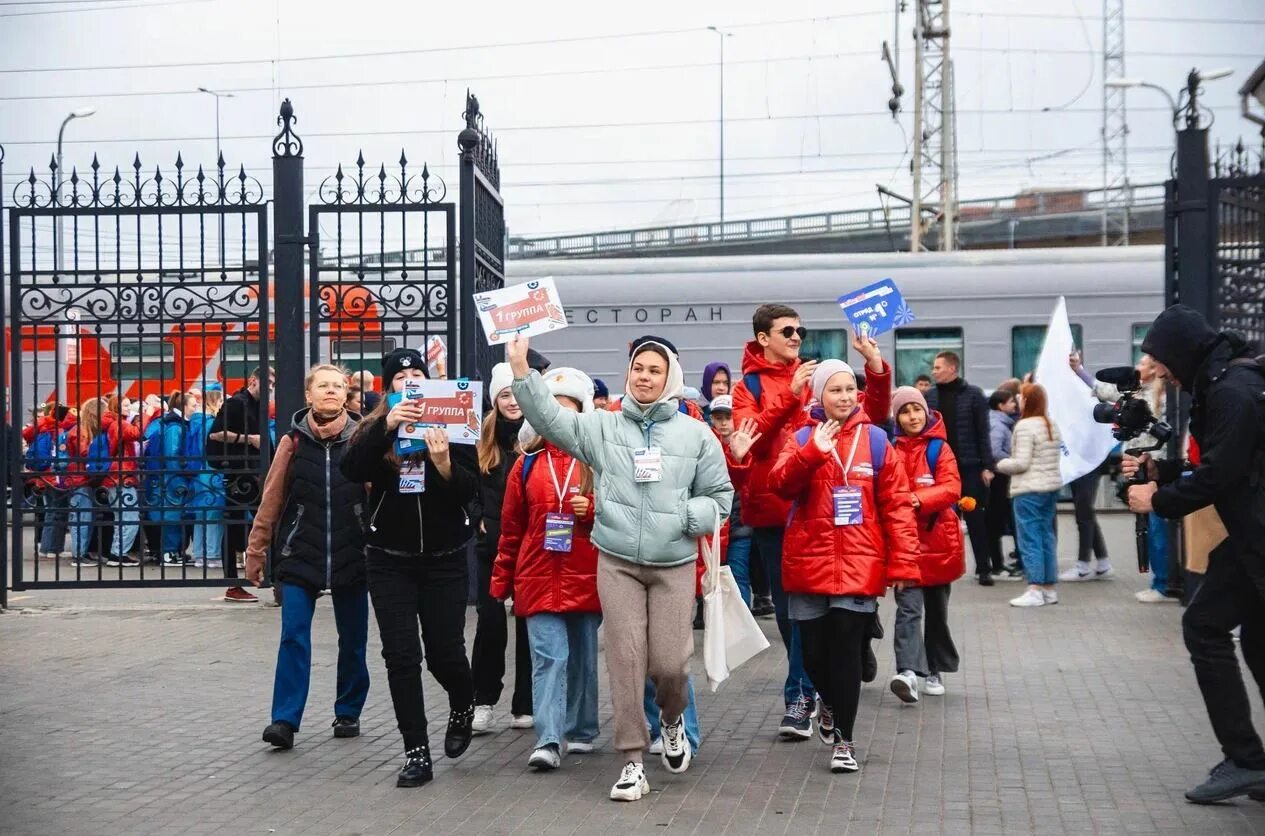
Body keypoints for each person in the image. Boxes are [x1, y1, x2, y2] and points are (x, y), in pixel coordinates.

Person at [506, 332, 732, 803]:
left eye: (654, 370)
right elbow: (548, 417)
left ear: (669, 377)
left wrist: (694, 517)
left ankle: (670, 722)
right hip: (617, 562)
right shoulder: (603, 427)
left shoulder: (696, 434)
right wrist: (521, 370)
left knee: (670, 665)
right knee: (625, 663)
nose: (644, 377)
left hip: (673, 564)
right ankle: (631, 762)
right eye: (638, 369)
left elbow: (721, 497)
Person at [1123, 305, 1265, 803]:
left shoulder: (1232, 391)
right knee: (1250, 641)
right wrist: (1162, 470)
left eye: (1160, 359)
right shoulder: (1225, 383)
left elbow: (1222, 473)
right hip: (1251, 540)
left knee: (1205, 627)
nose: (1158, 370)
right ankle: (1249, 760)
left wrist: (1156, 499)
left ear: (1181, 351)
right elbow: (1228, 459)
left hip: (1258, 540)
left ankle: (1248, 760)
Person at [731, 304, 891, 740]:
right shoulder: (748, 385)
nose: (797, 336)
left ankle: (804, 695)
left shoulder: (818, 375)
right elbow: (752, 444)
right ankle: (815, 687)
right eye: (788, 330)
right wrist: (787, 396)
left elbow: (867, 421)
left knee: (828, 614)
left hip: (830, 512)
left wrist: (874, 370)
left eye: (800, 329)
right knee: (791, 616)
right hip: (775, 511)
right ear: (763, 337)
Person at [767, 360, 920, 774]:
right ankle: (828, 704)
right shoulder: (801, 436)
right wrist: (811, 452)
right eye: (835, 390)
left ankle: (845, 742)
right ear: (819, 396)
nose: (845, 397)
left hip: (859, 561)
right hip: (809, 562)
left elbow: (898, 506)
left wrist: (904, 563)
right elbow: (779, 485)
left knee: (846, 653)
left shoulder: (874, 440)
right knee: (813, 655)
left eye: (850, 389)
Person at [340, 347, 479, 789]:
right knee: (401, 657)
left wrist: (442, 464)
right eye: (401, 377)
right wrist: (388, 427)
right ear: (389, 386)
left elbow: (469, 492)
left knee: (446, 655)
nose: (410, 381)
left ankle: (463, 703)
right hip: (389, 561)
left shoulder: (456, 425)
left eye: (418, 374)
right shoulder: (374, 427)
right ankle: (415, 751)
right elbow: (351, 467)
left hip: (444, 561)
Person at [246, 365, 371, 751]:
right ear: (309, 395)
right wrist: (257, 548)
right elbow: (272, 498)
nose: (331, 391)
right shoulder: (293, 441)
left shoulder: (363, 437)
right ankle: (284, 720)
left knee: (353, 638)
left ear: (347, 393)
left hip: (353, 550)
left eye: (338, 386)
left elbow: (378, 491)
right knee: (294, 636)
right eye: (323, 386)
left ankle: (348, 710)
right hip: (300, 551)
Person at [490, 367, 601, 771]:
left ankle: (583, 728)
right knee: (548, 658)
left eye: (566, 408)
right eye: (550, 408)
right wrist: (501, 581)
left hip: (586, 575)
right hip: (537, 577)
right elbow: (511, 529)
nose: (557, 416)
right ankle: (549, 739)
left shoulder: (594, 461)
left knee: (583, 659)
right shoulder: (525, 466)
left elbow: (618, 517)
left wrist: (592, 512)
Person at [888, 386, 963, 703]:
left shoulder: (939, 450)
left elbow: (952, 488)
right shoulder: (890, 449)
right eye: (905, 411)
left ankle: (934, 668)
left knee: (936, 613)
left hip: (939, 545)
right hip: (904, 545)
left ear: (926, 412)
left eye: (916, 409)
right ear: (897, 417)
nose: (912, 416)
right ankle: (907, 671)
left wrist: (916, 499)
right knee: (908, 610)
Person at [471, 363, 534, 735]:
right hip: (491, 546)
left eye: (517, 393)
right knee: (491, 624)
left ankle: (524, 703)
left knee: (530, 625)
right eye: (505, 395)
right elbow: (467, 481)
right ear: (495, 399)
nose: (512, 402)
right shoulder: (482, 436)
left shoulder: (537, 435)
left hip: (531, 545)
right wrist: (476, 514)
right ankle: (483, 700)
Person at [925, 351, 997, 585]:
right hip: (940, 470)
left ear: (952, 368)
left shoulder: (974, 395)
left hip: (969, 469)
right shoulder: (930, 397)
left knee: (976, 519)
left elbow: (982, 432)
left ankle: (984, 568)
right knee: (943, 522)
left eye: (937, 367)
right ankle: (945, 568)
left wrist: (987, 466)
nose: (933, 372)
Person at [207, 367, 274, 603]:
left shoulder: (258, 407)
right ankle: (233, 583)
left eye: (273, 385)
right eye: (267, 384)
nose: (270, 389)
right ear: (253, 381)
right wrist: (249, 440)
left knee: (264, 523)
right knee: (238, 524)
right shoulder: (235, 404)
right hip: (239, 475)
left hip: (255, 474)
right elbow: (215, 435)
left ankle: (270, 576)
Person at [996, 384, 1064, 608]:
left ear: (1028, 401)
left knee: (1030, 538)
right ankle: (1048, 588)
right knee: (1046, 537)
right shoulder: (1050, 424)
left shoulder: (1024, 426)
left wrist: (1000, 463)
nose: (1018, 401)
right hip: (1050, 487)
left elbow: (1021, 463)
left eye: (1021, 398)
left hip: (1029, 489)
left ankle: (1034, 587)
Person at [1130, 355, 1176, 604]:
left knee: (1157, 528)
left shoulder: (1158, 398)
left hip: (1157, 470)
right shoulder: (1150, 395)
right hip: (1153, 467)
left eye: (1143, 364)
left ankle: (1162, 583)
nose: (1137, 368)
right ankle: (1161, 580)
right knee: (1156, 528)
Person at [24, 404, 76, 560]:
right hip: (55, 475)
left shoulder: (44, 427)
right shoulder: (57, 430)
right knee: (57, 511)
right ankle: (53, 548)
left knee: (51, 510)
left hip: (44, 474)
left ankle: (48, 547)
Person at [99, 395, 143, 566]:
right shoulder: (120, 423)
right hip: (123, 476)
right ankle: (119, 553)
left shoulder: (111, 423)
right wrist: (144, 416)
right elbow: (136, 433)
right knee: (130, 518)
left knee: (121, 518)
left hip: (114, 476)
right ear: (117, 407)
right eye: (125, 405)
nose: (129, 408)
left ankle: (116, 552)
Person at [64, 399, 104, 567]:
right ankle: (79, 555)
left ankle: (82, 552)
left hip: (80, 478)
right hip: (80, 478)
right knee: (82, 517)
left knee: (84, 516)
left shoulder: (80, 430)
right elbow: (85, 452)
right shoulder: (81, 431)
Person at [986, 389, 1022, 579]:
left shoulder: (999, 422)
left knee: (996, 522)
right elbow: (994, 451)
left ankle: (996, 563)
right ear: (1001, 406)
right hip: (1000, 477)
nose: (1014, 405)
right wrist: (1014, 460)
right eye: (1010, 402)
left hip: (1000, 476)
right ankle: (996, 565)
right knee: (995, 522)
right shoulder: (998, 425)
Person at [189, 386, 225, 569]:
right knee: (214, 514)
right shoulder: (211, 423)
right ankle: (212, 554)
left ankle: (198, 554)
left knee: (201, 515)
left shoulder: (194, 422)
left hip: (198, 471)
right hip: (212, 470)